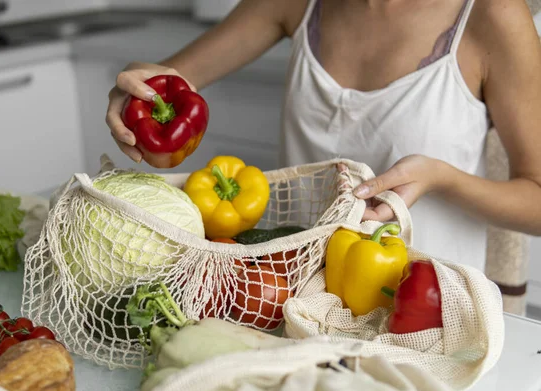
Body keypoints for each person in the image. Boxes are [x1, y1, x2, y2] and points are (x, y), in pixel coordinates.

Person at [105, 0, 541, 271]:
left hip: (428, 315)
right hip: (295, 300)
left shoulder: (494, 14)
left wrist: (444, 180)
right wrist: (135, 96)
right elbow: (169, 83)